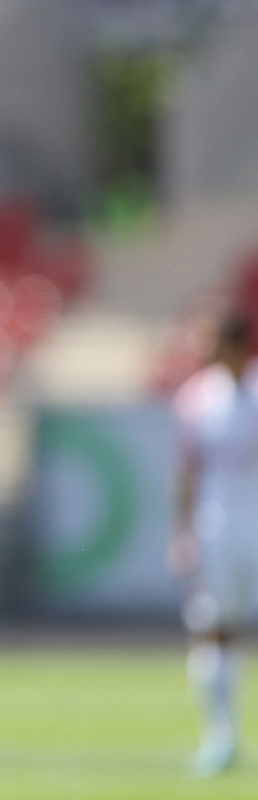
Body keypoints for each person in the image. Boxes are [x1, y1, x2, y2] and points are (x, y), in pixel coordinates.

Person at [170, 310, 258, 776]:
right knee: (216, 631)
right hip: (216, 527)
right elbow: (188, 469)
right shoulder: (197, 397)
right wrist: (182, 530)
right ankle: (221, 738)